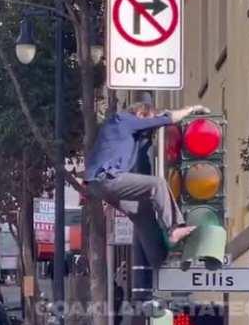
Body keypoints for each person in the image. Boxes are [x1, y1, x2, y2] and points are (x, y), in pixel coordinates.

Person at [84, 102, 208, 247]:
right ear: (140, 114)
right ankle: (174, 228)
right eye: (148, 119)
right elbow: (168, 119)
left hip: (98, 186)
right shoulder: (123, 119)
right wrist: (191, 108)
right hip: (107, 179)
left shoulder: (122, 128)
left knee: (142, 211)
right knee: (157, 184)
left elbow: (149, 128)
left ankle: (158, 261)